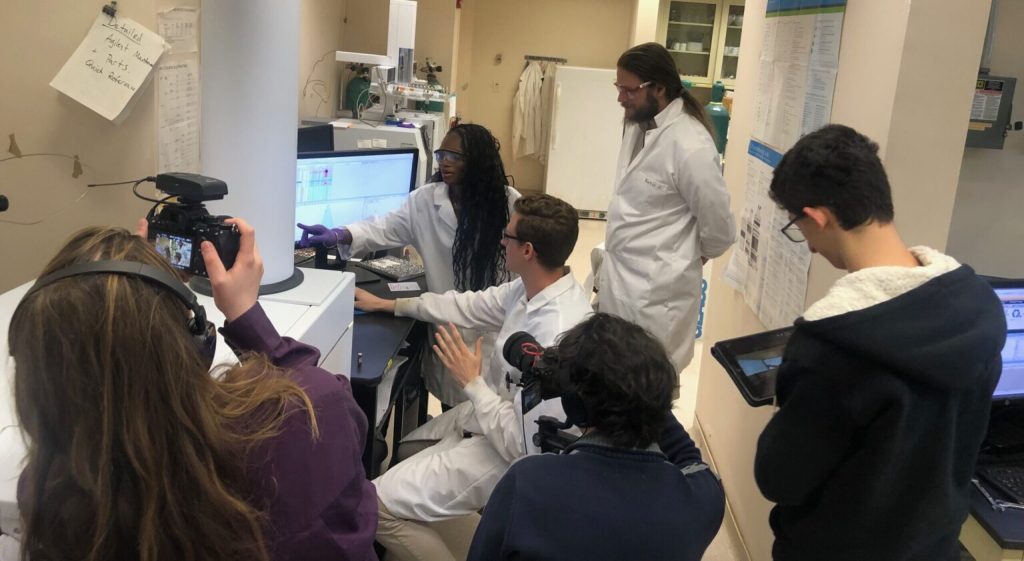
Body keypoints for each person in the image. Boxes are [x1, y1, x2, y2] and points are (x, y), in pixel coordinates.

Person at [7, 220, 377, 561]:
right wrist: (246, 314)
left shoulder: (45, 493)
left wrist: (119, 302)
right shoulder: (303, 419)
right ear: (196, 342)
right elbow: (327, 404)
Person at [754, 124, 1006, 561]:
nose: (810, 247)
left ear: (818, 217)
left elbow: (780, 479)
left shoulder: (830, 346)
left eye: (799, 226)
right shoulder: (979, 307)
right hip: (935, 548)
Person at [354, 194, 592, 561]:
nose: (501, 242)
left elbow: (525, 444)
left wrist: (471, 384)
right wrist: (390, 304)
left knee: (371, 505)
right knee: (405, 451)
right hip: (490, 414)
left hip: (510, 452)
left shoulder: (557, 332)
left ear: (527, 250)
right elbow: (466, 305)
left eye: (507, 236)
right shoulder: (531, 288)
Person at [466, 313, 725, 561]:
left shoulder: (526, 483)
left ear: (574, 405)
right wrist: (642, 386)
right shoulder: (703, 500)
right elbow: (688, 455)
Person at [299, 123, 521, 407]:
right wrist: (341, 234)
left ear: (477, 161)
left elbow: (521, 277)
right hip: (447, 325)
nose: (445, 163)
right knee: (452, 410)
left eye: (455, 157)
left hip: (492, 328)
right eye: (442, 155)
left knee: (490, 412)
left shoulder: (508, 204)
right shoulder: (425, 201)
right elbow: (384, 227)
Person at [600, 42, 736, 373]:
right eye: (619, 88)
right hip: (620, 281)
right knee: (613, 383)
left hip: (658, 297)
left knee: (649, 389)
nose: (621, 98)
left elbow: (720, 229)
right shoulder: (638, 124)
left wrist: (684, 257)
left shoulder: (690, 144)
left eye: (629, 90)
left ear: (659, 88)